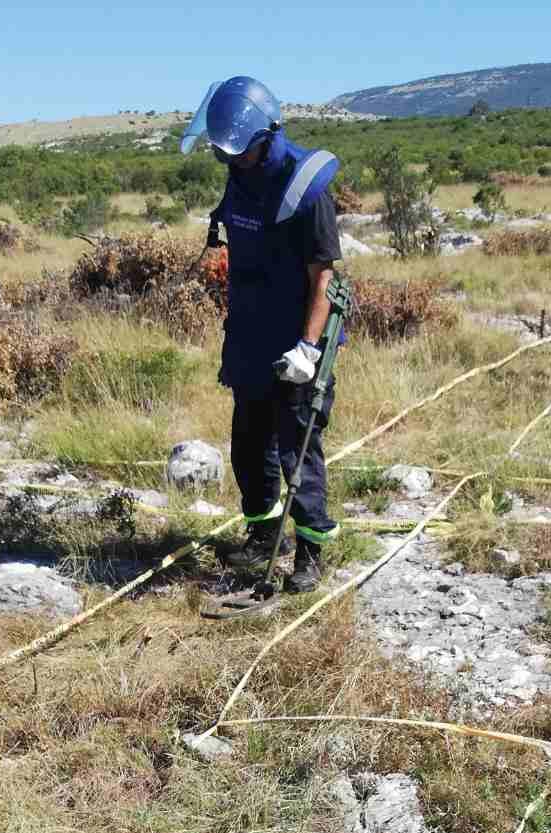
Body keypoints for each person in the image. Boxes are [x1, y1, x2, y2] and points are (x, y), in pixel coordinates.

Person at [181, 76, 343, 593]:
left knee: (299, 446)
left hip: (297, 335)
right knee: (249, 446)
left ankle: (311, 552)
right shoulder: (238, 172)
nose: (229, 159)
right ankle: (260, 535)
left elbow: (324, 278)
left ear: (265, 135)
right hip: (251, 332)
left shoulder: (307, 186)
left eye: (238, 149)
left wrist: (309, 349)